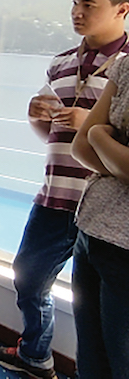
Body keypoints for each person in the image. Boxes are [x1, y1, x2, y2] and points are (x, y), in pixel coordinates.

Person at [0, 0, 129, 379]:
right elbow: (49, 137)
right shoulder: (61, 62)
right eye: (74, 3)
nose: (77, 12)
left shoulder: (125, 65)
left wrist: (88, 127)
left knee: (109, 330)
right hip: (56, 192)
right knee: (28, 280)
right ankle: (36, 353)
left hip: (106, 208)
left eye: (89, 4)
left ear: (123, 9)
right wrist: (36, 116)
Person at [70, 52, 129, 378]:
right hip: (93, 230)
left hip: (125, 249)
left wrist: (99, 136)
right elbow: (80, 147)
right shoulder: (126, 65)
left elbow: (91, 137)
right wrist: (105, 148)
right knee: (91, 361)